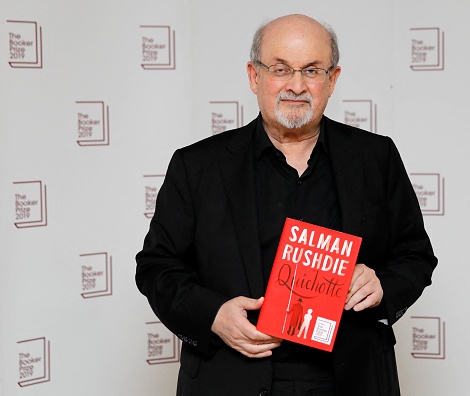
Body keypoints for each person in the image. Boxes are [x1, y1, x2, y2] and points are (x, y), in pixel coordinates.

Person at [136, 14, 437, 396]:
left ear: (333, 80)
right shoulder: (197, 166)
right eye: (280, 69)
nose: (296, 85)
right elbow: (155, 267)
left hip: (351, 378)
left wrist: (381, 286)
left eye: (312, 70)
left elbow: (415, 255)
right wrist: (212, 315)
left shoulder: (376, 157)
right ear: (254, 76)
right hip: (232, 377)